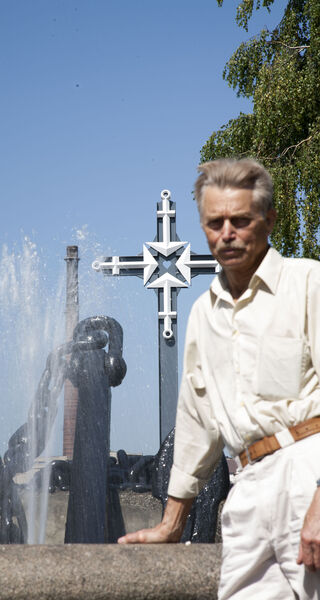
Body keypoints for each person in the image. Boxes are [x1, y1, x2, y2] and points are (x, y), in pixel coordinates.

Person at [118, 158, 320, 599]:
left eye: (240, 220)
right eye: (215, 223)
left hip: (308, 473)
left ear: (269, 220)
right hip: (246, 488)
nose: (226, 233)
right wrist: (172, 524)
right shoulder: (204, 314)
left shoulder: (309, 284)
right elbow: (198, 422)